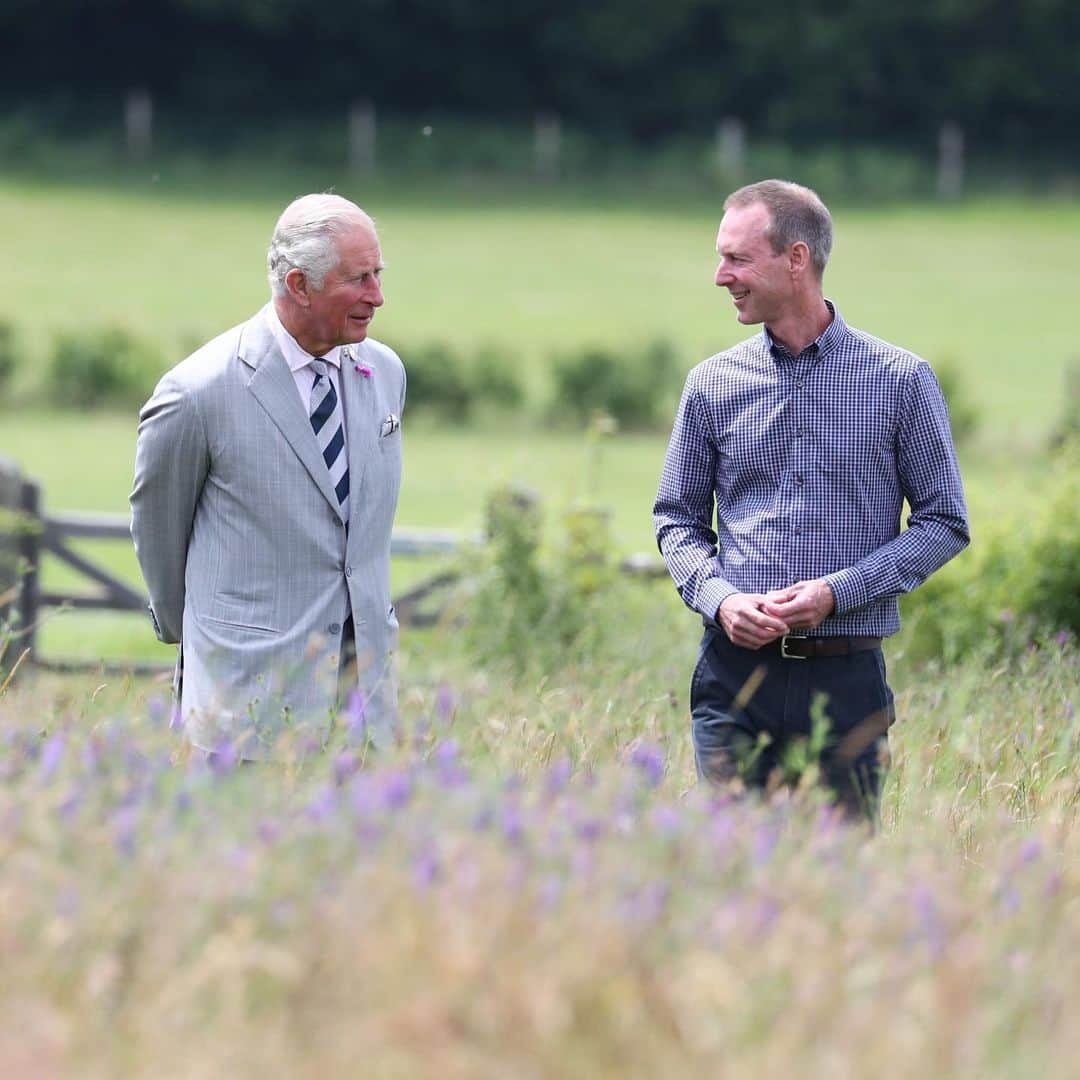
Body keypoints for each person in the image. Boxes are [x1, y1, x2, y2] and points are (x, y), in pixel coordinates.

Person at [653, 179, 969, 819]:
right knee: (732, 872)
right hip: (733, 678)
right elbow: (677, 519)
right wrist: (722, 600)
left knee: (838, 881)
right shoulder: (711, 383)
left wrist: (836, 593)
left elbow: (944, 523)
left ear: (796, 259)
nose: (721, 276)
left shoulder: (900, 381)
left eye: (737, 259)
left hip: (846, 680)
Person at [131, 193, 405, 761]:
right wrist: (206, 643)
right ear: (300, 285)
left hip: (367, 707)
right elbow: (159, 530)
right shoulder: (198, 391)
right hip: (244, 708)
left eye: (378, 275)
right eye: (359, 279)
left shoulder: (385, 372)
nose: (377, 296)